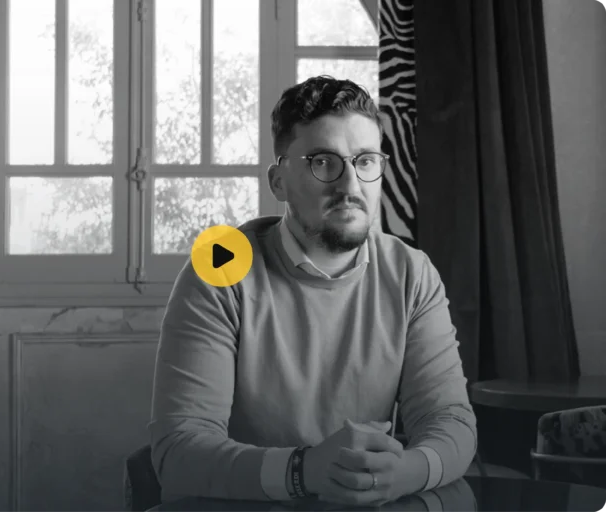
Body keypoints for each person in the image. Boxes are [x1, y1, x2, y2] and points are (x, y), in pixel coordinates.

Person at [148, 76, 477, 507]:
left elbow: (450, 421)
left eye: (365, 161)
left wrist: (403, 473)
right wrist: (302, 472)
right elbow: (178, 451)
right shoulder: (219, 267)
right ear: (278, 181)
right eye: (323, 162)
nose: (350, 185)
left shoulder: (412, 274)